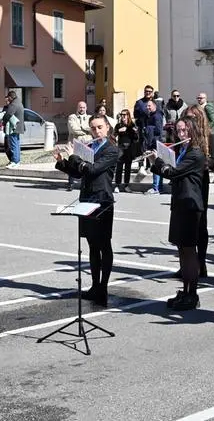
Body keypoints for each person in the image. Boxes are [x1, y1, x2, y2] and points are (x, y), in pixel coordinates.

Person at [54, 114, 119, 307]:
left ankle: (104, 288)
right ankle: (94, 285)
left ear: (107, 128)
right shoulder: (90, 147)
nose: (96, 131)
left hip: (102, 201)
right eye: (93, 128)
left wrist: (74, 155)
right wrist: (62, 162)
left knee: (104, 245)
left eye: (100, 127)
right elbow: (78, 172)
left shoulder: (111, 150)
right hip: (87, 199)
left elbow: (92, 170)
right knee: (91, 246)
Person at [149, 116, 207, 311]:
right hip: (180, 203)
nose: (181, 134)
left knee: (189, 250)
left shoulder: (196, 153)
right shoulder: (182, 150)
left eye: (185, 130)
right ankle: (185, 289)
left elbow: (173, 172)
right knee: (181, 250)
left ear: (193, 131)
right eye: (179, 131)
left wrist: (157, 161)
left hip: (190, 206)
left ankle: (193, 293)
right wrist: (155, 161)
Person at [184, 104, 214, 278]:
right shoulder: (184, 137)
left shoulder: (209, 136)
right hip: (184, 183)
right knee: (185, 225)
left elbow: (213, 162)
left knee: (200, 223)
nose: (190, 122)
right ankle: (187, 263)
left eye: (193, 118)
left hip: (199, 182)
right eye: (187, 118)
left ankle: (201, 263)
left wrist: (198, 161)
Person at [66, 101, 92, 191]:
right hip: (74, 143)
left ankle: (84, 184)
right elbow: (74, 129)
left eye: (83, 107)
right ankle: (71, 183)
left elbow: (92, 129)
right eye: (80, 107)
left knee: (85, 164)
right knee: (72, 163)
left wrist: (83, 128)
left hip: (87, 144)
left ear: (86, 108)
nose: (82, 109)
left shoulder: (90, 118)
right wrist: (86, 131)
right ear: (77, 108)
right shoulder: (72, 117)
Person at [143, 100, 165, 194]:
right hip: (154, 142)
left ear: (154, 106)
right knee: (158, 165)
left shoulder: (157, 116)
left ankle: (156, 187)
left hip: (156, 143)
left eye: (149, 106)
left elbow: (158, 130)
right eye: (146, 106)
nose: (147, 107)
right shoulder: (151, 115)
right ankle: (158, 187)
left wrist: (147, 129)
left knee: (156, 165)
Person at [113, 109, 138, 191]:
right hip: (120, 147)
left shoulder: (131, 125)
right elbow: (113, 136)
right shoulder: (118, 125)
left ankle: (126, 185)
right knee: (119, 167)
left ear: (128, 115)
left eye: (125, 114)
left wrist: (134, 131)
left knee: (128, 168)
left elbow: (136, 138)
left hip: (129, 148)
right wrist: (118, 131)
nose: (123, 116)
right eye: (122, 114)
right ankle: (117, 185)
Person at [2, 91, 26, 168]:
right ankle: (17, 161)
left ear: (10, 97)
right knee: (16, 144)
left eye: (8, 97)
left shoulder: (14, 104)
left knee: (13, 144)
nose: (7, 99)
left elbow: (8, 114)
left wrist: (4, 121)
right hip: (18, 126)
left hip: (13, 127)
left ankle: (15, 161)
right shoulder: (19, 103)